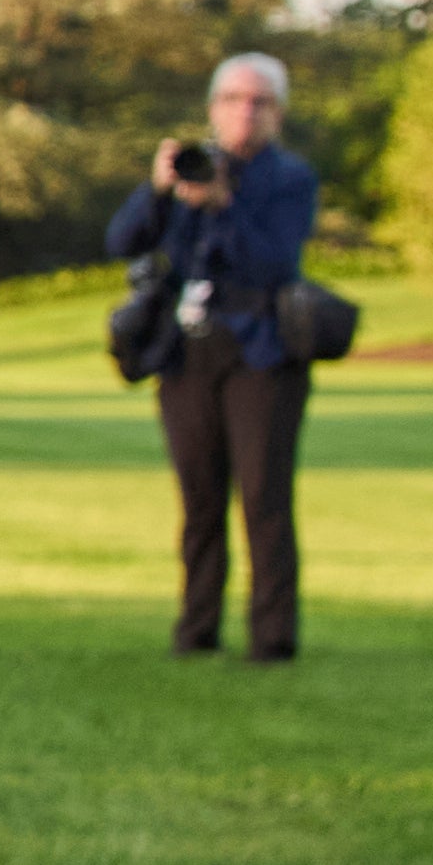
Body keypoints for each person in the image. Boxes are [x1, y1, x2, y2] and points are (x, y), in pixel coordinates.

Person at [107, 51, 318, 663]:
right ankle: (196, 628)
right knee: (199, 498)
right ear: (212, 108)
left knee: (263, 496)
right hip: (187, 354)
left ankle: (272, 635)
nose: (244, 113)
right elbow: (122, 242)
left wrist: (225, 206)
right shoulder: (185, 171)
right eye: (232, 99)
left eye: (259, 102)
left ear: (278, 113)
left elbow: (275, 263)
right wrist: (160, 188)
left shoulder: (289, 180)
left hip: (261, 351)